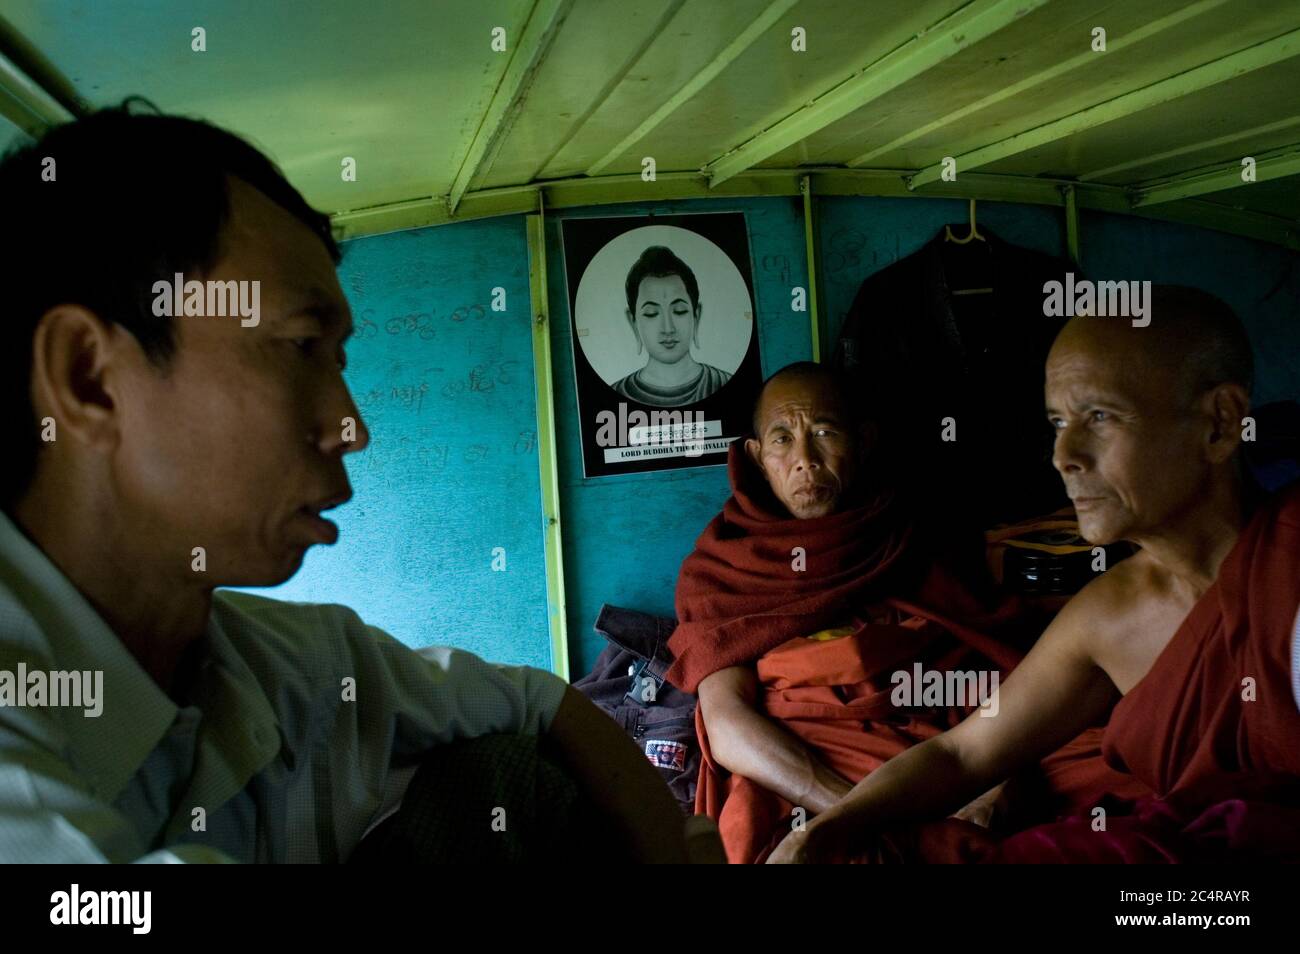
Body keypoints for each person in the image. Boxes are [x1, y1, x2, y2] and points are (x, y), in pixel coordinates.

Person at [0, 100, 691, 864]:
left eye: (340, 360)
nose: (352, 426)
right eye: (299, 347)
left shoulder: (284, 663)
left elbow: (541, 699)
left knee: (504, 774)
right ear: (89, 378)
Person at [770, 286, 1300, 863]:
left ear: (1220, 424)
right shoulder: (1108, 614)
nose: (1063, 454)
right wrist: (821, 833)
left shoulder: (1287, 563)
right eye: (1057, 422)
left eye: (1099, 416)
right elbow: (963, 755)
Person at [665, 361, 1035, 863]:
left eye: (824, 432)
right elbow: (729, 725)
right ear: (755, 457)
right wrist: (857, 815)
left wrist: (1001, 783)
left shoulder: (912, 536)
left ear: (863, 440)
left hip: (940, 752)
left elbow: (1007, 673)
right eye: (782, 439)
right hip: (803, 771)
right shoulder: (725, 568)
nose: (805, 460)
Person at [611, 245, 732, 406]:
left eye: (680, 311)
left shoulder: (724, 383)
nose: (668, 328)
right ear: (633, 322)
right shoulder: (618, 393)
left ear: (696, 315)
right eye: (651, 313)